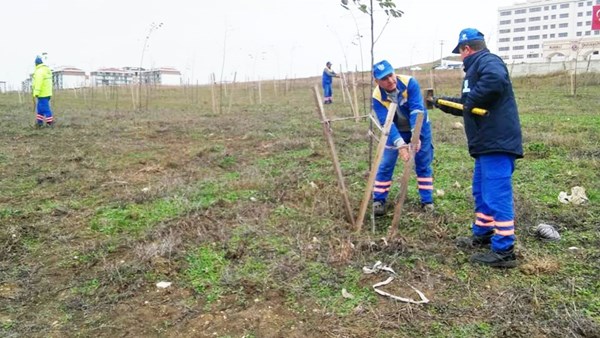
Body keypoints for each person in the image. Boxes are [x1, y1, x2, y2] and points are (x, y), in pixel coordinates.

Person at [435, 28, 523, 268]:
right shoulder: (475, 70)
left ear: (467, 49)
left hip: (497, 142)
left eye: (461, 53)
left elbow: (494, 82)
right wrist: (441, 102)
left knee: (497, 194)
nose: (461, 58)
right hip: (486, 144)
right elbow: (468, 106)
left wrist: (470, 101)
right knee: (481, 191)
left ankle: (504, 250)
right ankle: (483, 232)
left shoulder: (487, 61)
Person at [371, 60, 434, 217]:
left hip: (419, 127)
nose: (390, 80)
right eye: (384, 79)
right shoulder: (377, 96)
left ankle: (427, 201)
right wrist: (400, 144)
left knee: (423, 163)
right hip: (395, 130)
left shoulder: (409, 83)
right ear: (377, 81)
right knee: (386, 163)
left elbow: (416, 110)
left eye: (391, 75)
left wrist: (415, 135)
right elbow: (387, 123)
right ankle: (379, 200)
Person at [32, 55, 54, 127]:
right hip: (47, 93)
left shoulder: (39, 71)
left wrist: (36, 93)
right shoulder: (46, 70)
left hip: (42, 93)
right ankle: (39, 122)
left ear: (36, 64)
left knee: (45, 109)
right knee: (40, 109)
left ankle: (50, 123)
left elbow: (38, 83)